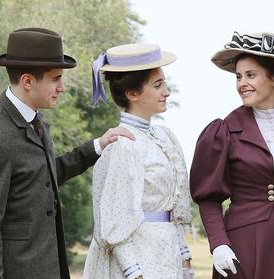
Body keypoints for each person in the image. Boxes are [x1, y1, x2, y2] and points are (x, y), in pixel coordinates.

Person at [0, 27, 134, 279]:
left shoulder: (36, 122)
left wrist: (97, 145)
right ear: (27, 81)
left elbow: (43, 176)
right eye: (55, 79)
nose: (62, 87)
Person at [190, 31, 274, 279]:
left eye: (251, 75)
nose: (242, 83)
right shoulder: (222, 131)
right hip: (242, 244)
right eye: (239, 76)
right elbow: (208, 198)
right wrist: (219, 244)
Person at [82, 43, 194, 279]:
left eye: (164, 82)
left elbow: (173, 211)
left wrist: (184, 258)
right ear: (132, 93)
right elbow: (114, 218)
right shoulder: (124, 145)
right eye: (157, 85)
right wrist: (134, 272)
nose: (167, 91)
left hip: (166, 254)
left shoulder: (165, 138)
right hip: (140, 258)